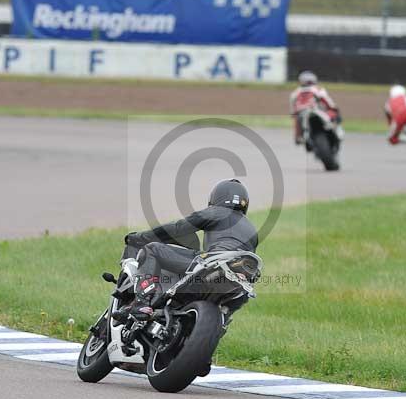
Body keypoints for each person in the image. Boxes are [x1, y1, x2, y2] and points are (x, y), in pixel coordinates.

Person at [115, 179, 258, 322]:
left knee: (152, 249)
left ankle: (142, 302)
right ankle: (220, 321)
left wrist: (139, 237)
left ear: (217, 197)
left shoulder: (216, 212)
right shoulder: (251, 229)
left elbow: (177, 228)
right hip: (241, 277)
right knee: (226, 314)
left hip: (213, 262)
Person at [289, 70, 341, 145]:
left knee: (297, 119)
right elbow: (326, 100)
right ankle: (336, 130)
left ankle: (298, 137)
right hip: (314, 111)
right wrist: (333, 108)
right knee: (334, 113)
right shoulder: (317, 89)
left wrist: (294, 114)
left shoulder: (295, 92)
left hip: (303, 114)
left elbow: (293, 111)